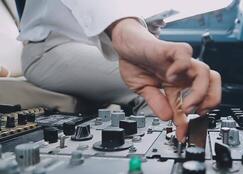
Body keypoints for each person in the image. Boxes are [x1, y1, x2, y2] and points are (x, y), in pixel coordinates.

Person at [17, 0, 221, 142]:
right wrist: (127, 32)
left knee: (179, 80)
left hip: (99, 44)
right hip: (49, 47)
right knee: (173, 88)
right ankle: (159, 159)